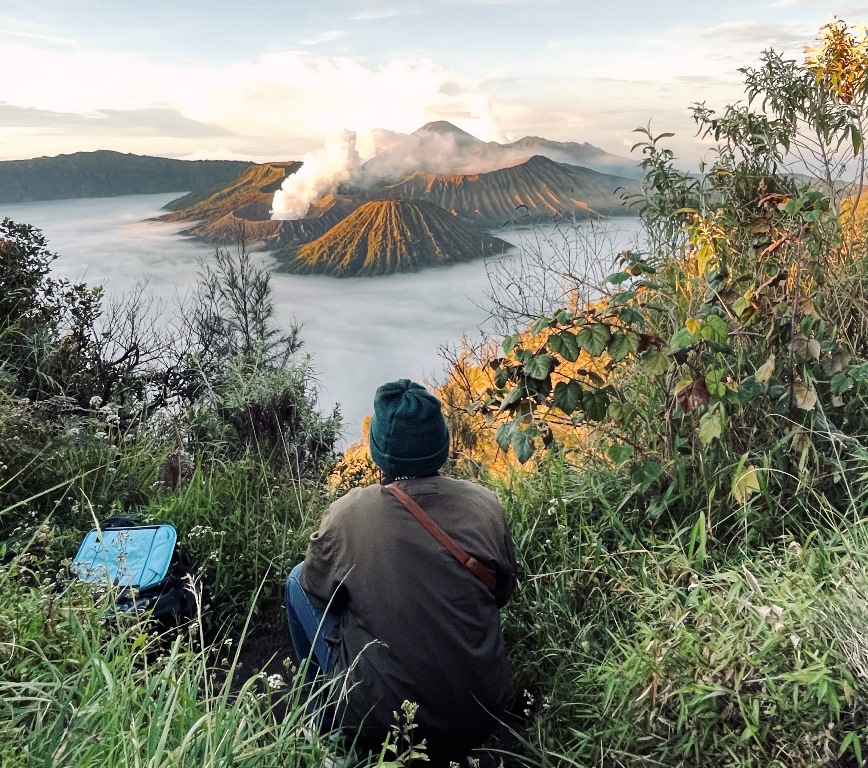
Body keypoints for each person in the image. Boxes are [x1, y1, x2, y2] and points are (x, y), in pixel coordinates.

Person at [285, 379, 517, 763]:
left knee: (297, 579)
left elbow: (316, 588)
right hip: (480, 713)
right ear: (441, 445)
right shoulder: (485, 505)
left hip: (380, 722)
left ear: (379, 451)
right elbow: (501, 595)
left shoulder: (348, 514)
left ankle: (326, 725)